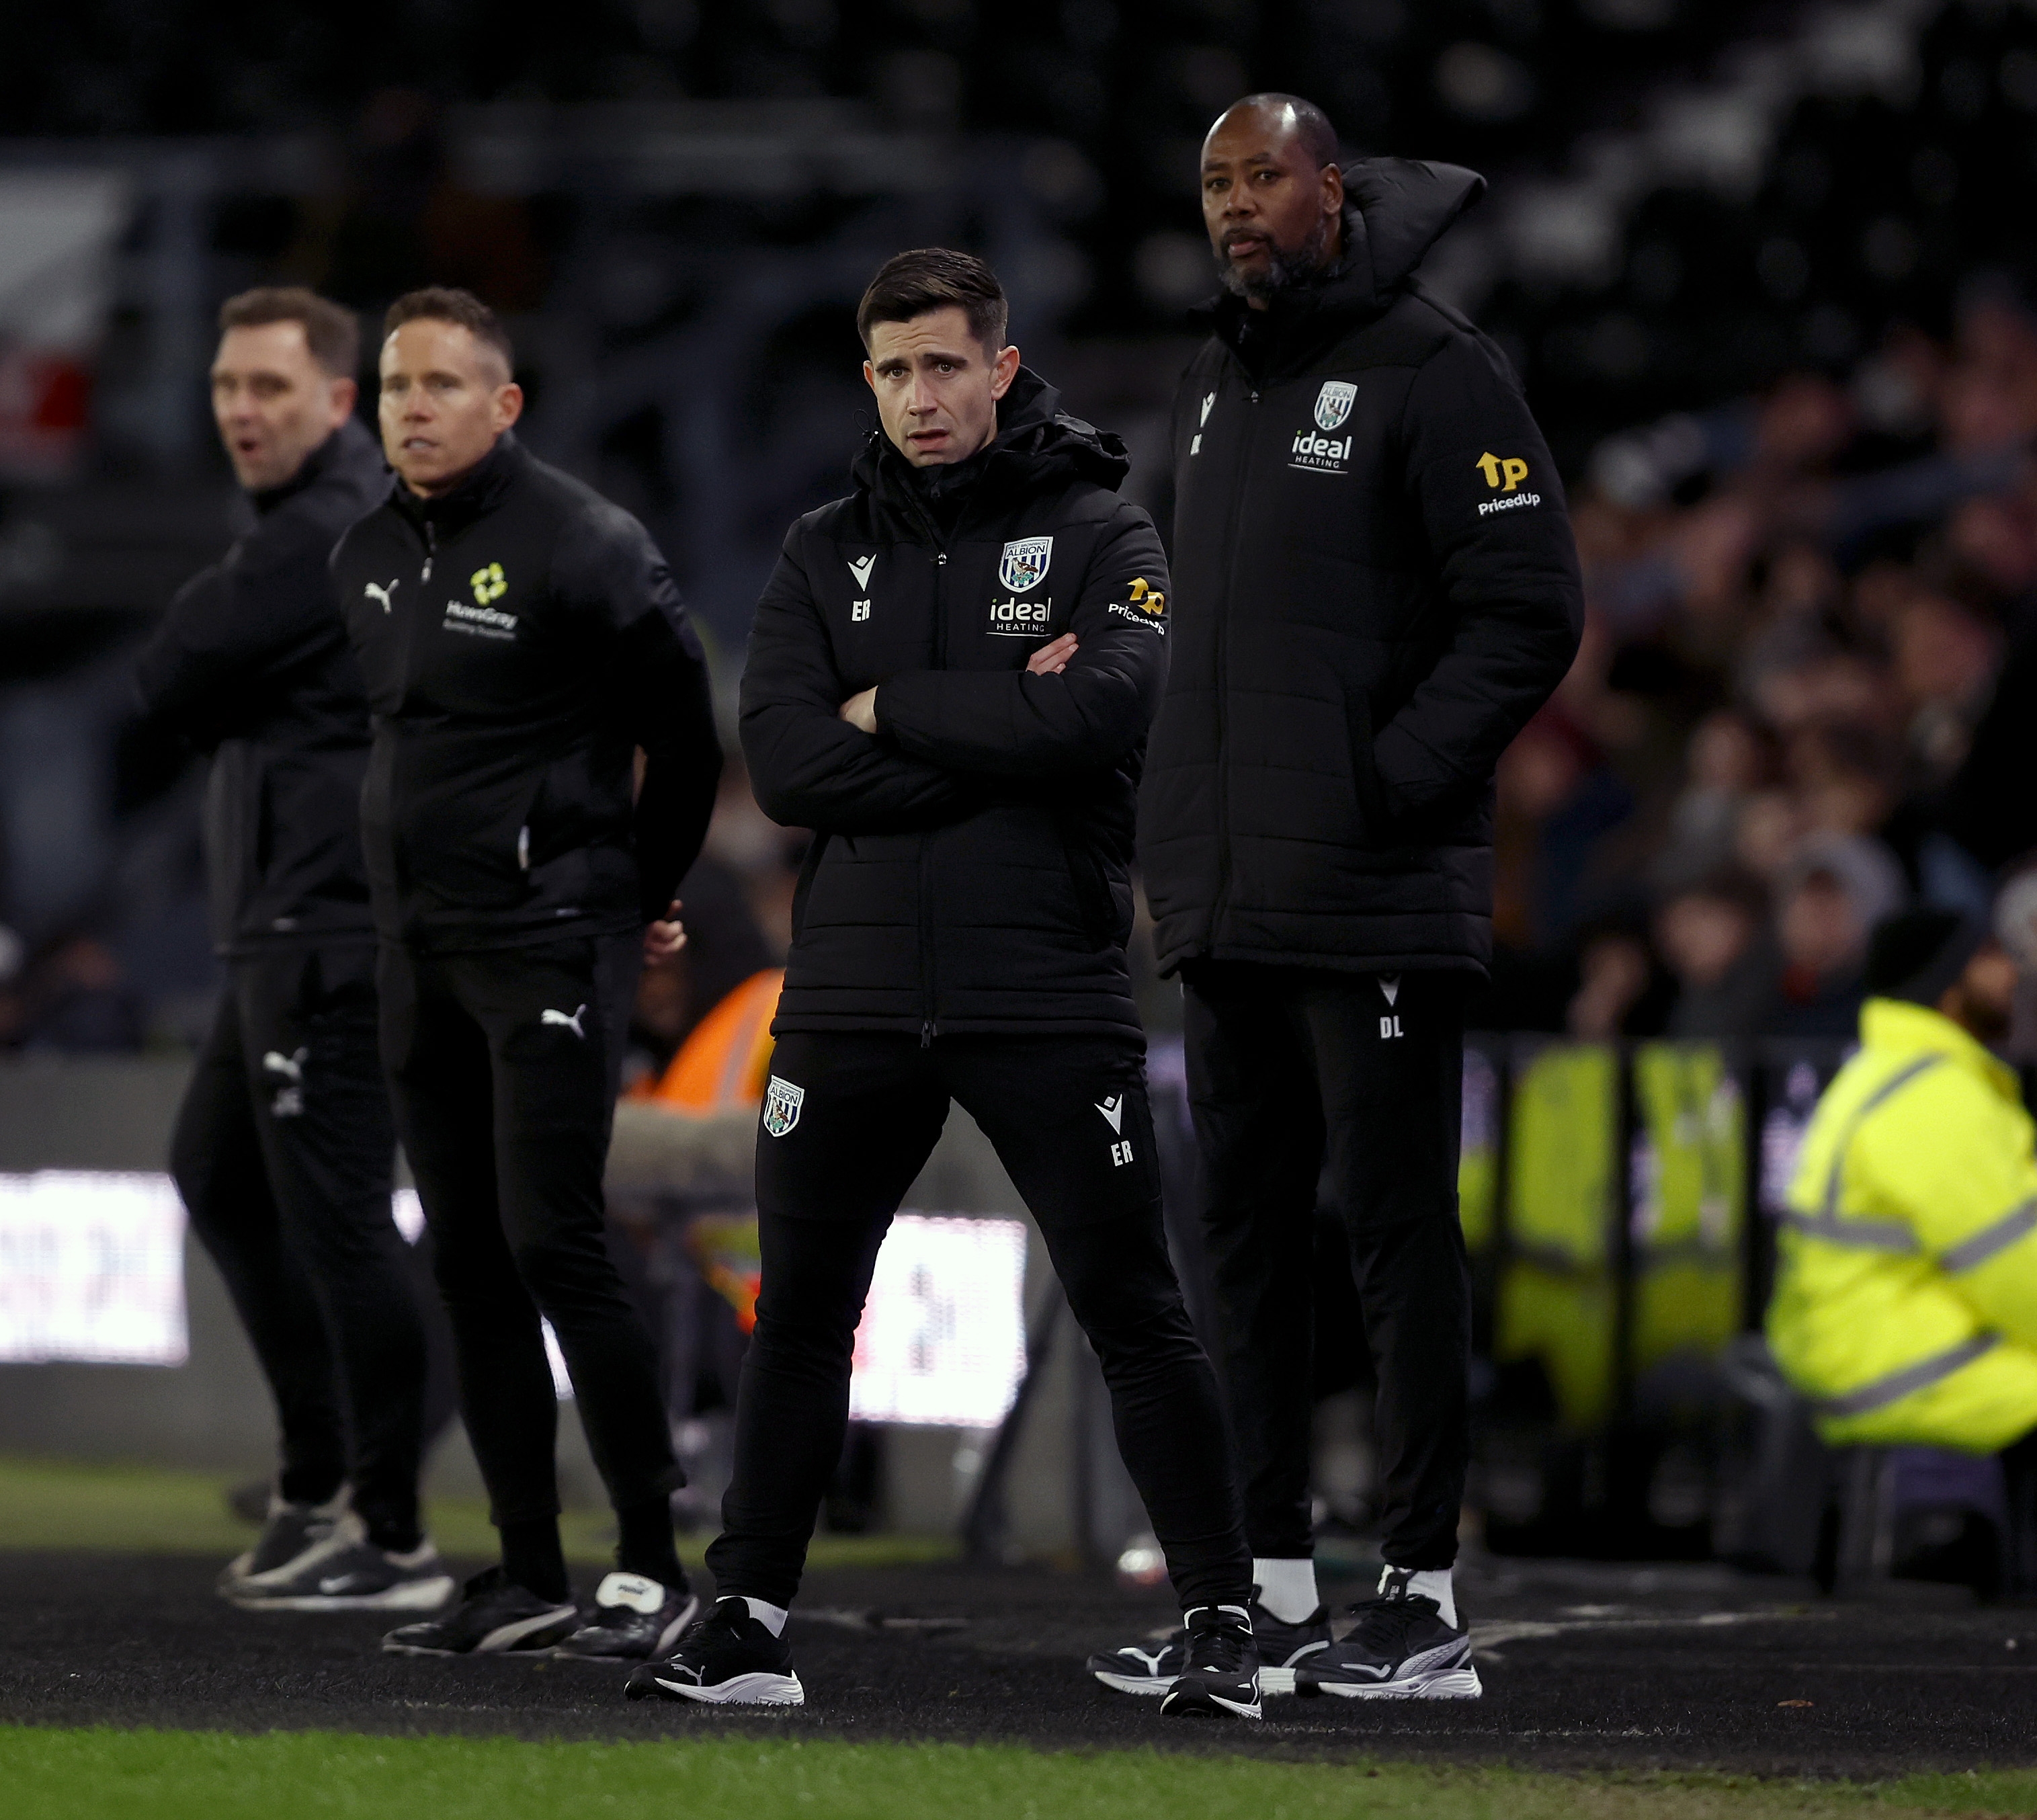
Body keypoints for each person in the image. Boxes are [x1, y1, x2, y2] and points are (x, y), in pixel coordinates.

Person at [628, 249, 1261, 1718]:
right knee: (798, 1313)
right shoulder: (818, 549)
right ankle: (746, 1624)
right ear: (869, 380)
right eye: (895, 369)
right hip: (847, 994)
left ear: (1001, 368)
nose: (921, 394)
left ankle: (1221, 1619)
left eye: (945, 365)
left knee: (1131, 1304)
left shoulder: (1102, 528)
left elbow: (1109, 707)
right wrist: (1002, 732)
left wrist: (891, 707)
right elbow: (788, 763)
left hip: (1044, 987)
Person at [1140, 95, 1583, 1698]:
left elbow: (1530, 606)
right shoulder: (1211, 378)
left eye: (1264, 176)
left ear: (1333, 189)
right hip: (1233, 891)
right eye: (1215, 182)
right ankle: (1262, 1588)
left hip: (1376, 888)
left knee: (1395, 1236)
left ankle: (1417, 1592)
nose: (1235, 205)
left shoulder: (1434, 364)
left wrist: (1385, 779)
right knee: (1245, 1241)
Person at [330, 286, 722, 1661]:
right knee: (469, 1257)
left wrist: (640, 891)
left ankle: (652, 1563)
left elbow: (686, 738)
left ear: (503, 404)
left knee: (554, 1237)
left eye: (442, 384)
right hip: (417, 950)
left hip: (548, 935)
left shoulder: (583, 542)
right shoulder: (366, 554)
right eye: (396, 385)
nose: (414, 408)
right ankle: (528, 1570)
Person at [130, 286, 450, 1612]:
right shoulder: (314, 528)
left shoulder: (326, 531)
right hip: (285, 919)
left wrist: (229, 686)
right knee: (219, 1171)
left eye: (269, 387)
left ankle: (389, 1526)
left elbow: (168, 670)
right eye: (226, 387)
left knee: (338, 1218)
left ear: (336, 400)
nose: (241, 411)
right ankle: (320, 1480)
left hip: (330, 924)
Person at [1766, 909, 2037, 1599]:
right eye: (1988, 956)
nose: (2011, 972)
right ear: (1945, 984)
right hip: (1898, 1360)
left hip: (1854, 1343)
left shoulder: (1888, 1072)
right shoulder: (1935, 1096)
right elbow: (2018, 1272)